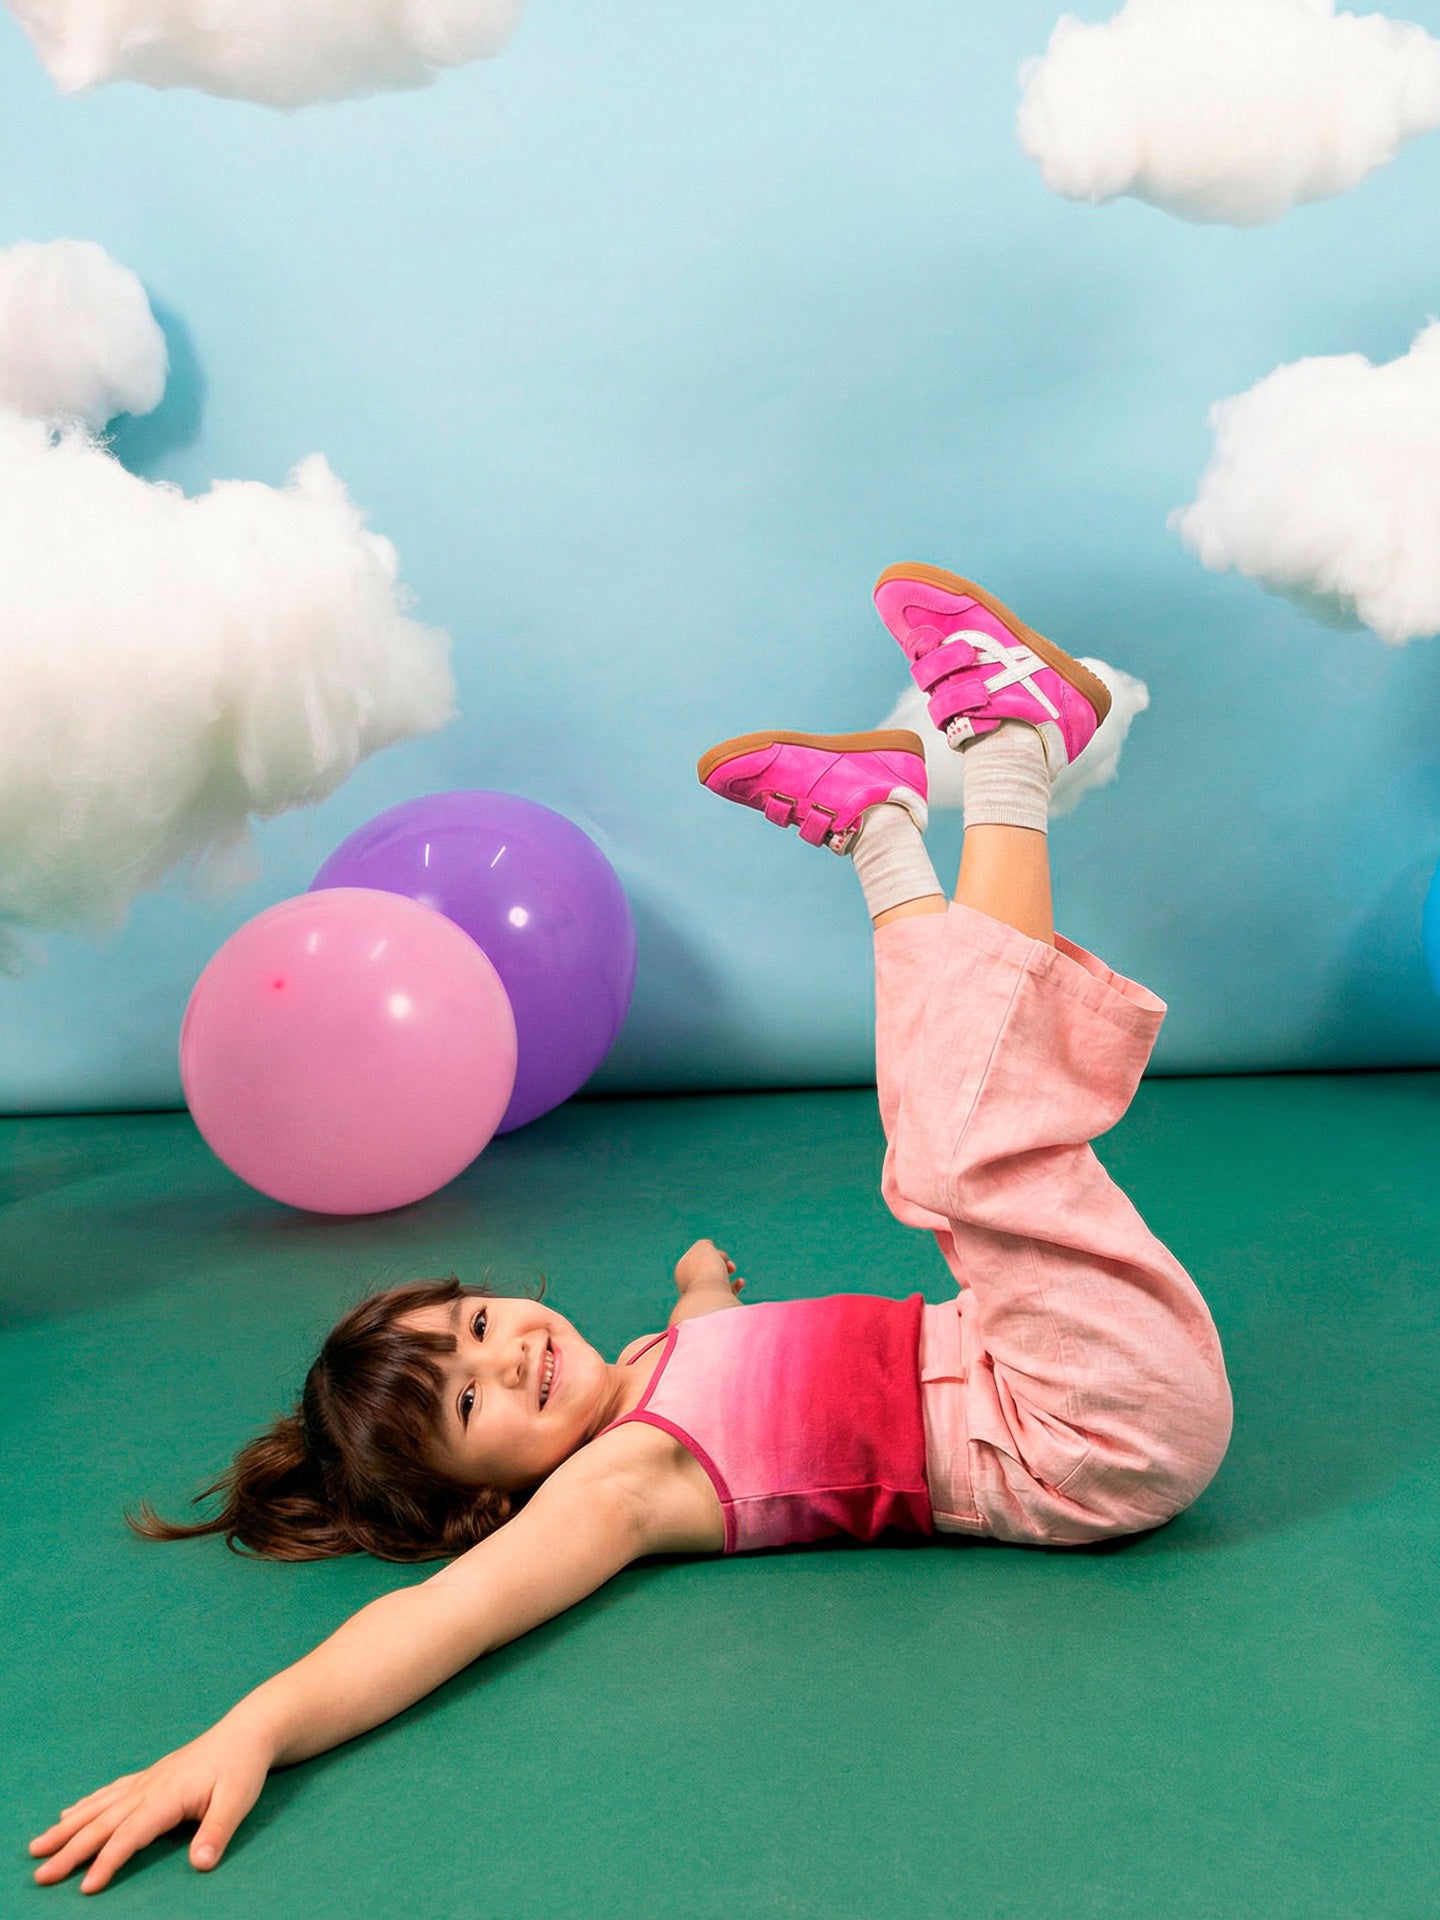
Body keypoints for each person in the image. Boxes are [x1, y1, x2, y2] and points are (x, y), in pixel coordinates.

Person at [30, 564, 1231, 1895]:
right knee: (956, 1152)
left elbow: (713, 1345)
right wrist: (249, 1730)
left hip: (1032, 1350)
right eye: (474, 1400)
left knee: (933, 1110)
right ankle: (1009, 749)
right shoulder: (619, 1489)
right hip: (1091, 1429)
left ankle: (886, 830)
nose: (508, 1352)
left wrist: (702, 1282)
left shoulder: (657, 1365)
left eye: (475, 1324)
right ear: (487, 1499)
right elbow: (433, 1621)